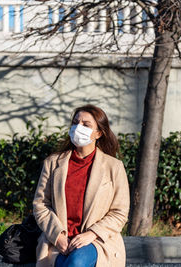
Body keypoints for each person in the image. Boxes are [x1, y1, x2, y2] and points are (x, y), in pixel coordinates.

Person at [33, 104, 130, 267]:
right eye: (75, 122)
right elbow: (41, 204)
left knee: (76, 263)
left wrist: (92, 234)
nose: (78, 128)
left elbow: (120, 212)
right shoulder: (53, 163)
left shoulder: (114, 167)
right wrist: (58, 236)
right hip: (59, 241)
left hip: (97, 241)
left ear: (99, 133)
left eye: (86, 125)